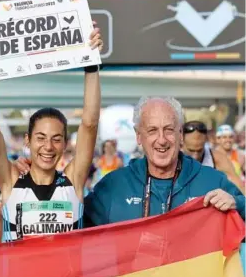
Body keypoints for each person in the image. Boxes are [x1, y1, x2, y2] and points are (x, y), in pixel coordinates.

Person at [0, 21, 103, 241]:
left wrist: (91, 62)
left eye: (56, 139)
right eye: (40, 138)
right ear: (28, 140)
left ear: (64, 143)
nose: (48, 147)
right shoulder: (11, 181)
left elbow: (89, 124)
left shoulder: (74, 180)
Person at [84, 97, 245, 226]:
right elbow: (72, 229)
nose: (161, 140)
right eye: (152, 130)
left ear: (180, 134)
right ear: (138, 135)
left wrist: (238, 205)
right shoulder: (114, 186)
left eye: (169, 130)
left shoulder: (211, 181)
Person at [182, 121, 244, 193]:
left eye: (199, 150)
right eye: (191, 150)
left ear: (205, 141)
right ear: (182, 142)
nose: (195, 156)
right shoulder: (174, 157)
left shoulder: (217, 157)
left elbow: (239, 187)